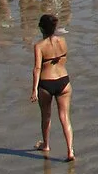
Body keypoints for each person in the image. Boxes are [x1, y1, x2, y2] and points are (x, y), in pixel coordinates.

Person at [32, 12, 75, 161]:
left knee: (46, 116)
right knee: (65, 117)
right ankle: (70, 150)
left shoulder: (39, 46)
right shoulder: (62, 41)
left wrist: (34, 90)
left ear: (41, 28)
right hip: (63, 80)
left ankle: (46, 144)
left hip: (46, 83)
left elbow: (37, 68)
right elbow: (64, 58)